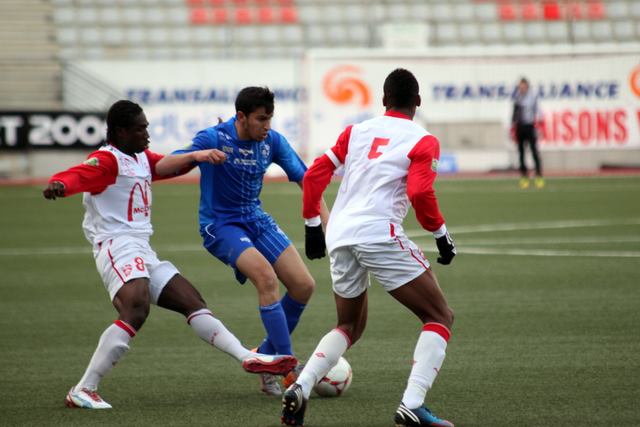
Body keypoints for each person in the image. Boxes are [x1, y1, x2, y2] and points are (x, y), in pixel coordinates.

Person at [43, 100, 297, 410]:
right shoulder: (108, 160)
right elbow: (80, 174)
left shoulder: (139, 158)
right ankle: (84, 388)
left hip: (142, 249)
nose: (147, 134)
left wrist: (202, 153)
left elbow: (170, 164)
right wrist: (60, 184)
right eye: (141, 129)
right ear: (121, 132)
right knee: (135, 308)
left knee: (192, 301)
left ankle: (248, 356)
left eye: (147, 127)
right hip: (116, 246)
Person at [280, 69, 457, 427]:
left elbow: (315, 174)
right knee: (439, 316)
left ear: (383, 100)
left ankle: (301, 386)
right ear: (418, 102)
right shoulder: (423, 141)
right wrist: (441, 234)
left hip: (341, 234)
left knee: (348, 324)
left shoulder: (356, 131)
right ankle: (412, 404)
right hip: (379, 233)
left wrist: (313, 225)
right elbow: (420, 193)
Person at [155, 87, 328, 396]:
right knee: (266, 277)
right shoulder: (214, 138)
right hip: (220, 226)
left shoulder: (271, 141)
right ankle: (287, 370)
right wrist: (197, 155)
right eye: (261, 119)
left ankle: (265, 356)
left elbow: (307, 180)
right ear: (241, 117)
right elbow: (162, 166)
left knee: (304, 285)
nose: (267, 126)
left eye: (270, 119)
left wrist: (328, 227)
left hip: (255, 218)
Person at [512, 77, 544, 189]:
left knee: (534, 152)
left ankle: (539, 176)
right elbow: (514, 113)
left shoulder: (532, 97)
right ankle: (524, 177)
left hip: (530, 126)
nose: (521, 88)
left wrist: (540, 125)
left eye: (523, 86)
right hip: (520, 127)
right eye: (520, 86)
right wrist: (513, 126)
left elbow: (538, 111)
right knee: (521, 153)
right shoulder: (517, 97)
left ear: (527, 86)